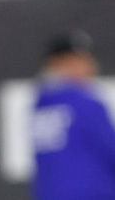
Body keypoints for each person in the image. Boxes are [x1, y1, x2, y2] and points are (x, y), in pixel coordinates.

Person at [31, 29, 115, 200]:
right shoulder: (84, 103)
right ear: (57, 63)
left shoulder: (40, 104)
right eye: (77, 61)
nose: (88, 66)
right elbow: (110, 150)